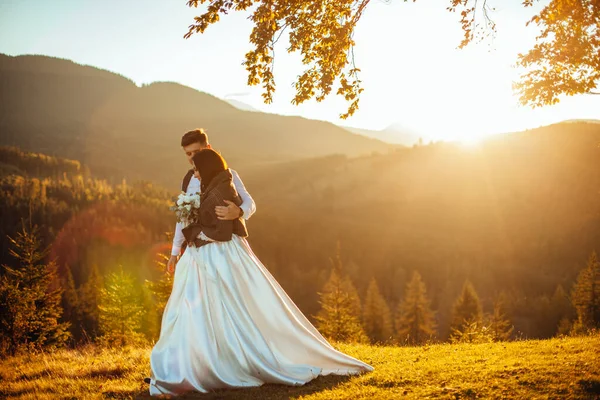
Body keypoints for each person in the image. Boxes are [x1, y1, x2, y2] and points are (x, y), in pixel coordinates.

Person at [147, 148, 374, 396]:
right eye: (188, 157)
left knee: (231, 305)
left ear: (206, 162)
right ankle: (196, 360)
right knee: (194, 310)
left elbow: (231, 220)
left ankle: (222, 361)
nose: (194, 169)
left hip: (219, 255)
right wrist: (179, 246)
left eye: (196, 163)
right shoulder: (200, 182)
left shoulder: (225, 183)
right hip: (200, 257)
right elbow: (193, 221)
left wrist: (233, 214)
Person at [167, 128, 256, 274]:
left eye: (196, 152)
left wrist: (239, 211)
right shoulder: (188, 180)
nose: (192, 157)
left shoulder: (229, 175)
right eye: (188, 154)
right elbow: (183, 217)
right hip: (197, 251)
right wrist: (175, 252)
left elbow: (250, 203)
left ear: (208, 148)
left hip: (225, 249)